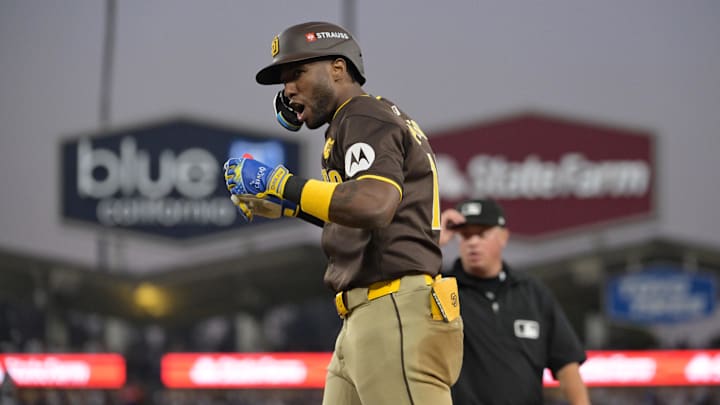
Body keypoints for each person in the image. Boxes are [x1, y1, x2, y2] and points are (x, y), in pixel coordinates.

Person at [223, 21, 463, 405]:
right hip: (370, 314)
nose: (288, 88)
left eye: (297, 73)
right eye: (284, 79)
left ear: (338, 67)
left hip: (394, 308)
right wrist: (289, 207)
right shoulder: (361, 118)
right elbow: (363, 211)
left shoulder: (362, 116)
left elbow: (373, 204)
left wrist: (283, 183)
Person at [440, 199, 590, 405]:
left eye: (482, 233)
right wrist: (434, 242)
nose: (473, 242)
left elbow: (566, 364)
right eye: (465, 235)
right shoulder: (443, 288)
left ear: (503, 237)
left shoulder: (531, 292)